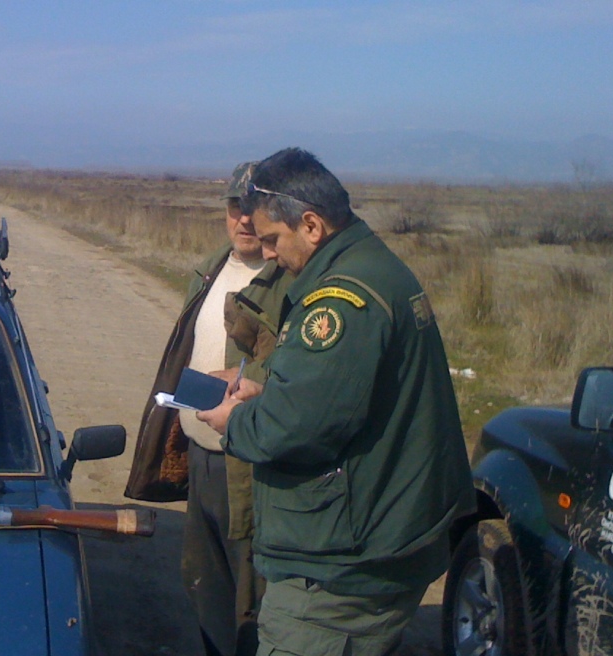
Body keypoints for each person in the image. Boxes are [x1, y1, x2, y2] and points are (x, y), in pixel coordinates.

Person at [197, 147, 475, 656]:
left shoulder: (342, 299)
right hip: (372, 538)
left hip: (341, 571)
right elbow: (338, 397)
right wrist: (269, 392)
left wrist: (237, 420)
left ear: (310, 225)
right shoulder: (370, 266)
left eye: (274, 240)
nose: (270, 255)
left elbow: (293, 426)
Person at [125, 162, 294, 656]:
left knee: (250, 597)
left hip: (250, 466)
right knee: (205, 582)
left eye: (254, 210)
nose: (244, 220)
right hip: (202, 457)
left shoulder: (287, 280)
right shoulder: (213, 266)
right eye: (235, 207)